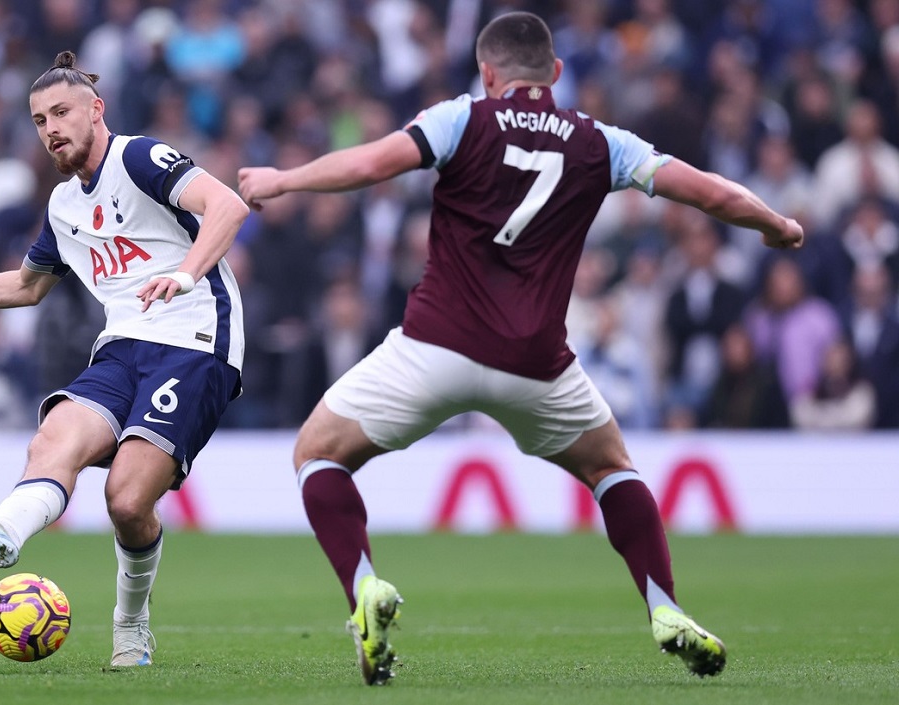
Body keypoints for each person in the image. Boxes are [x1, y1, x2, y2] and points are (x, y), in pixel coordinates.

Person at [238, 12, 803, 686]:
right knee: (612, 469)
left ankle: (362, 585)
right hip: (536, 364)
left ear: (487, 72)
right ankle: (664, 605)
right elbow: (706, 189)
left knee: (316, 452)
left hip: (434, 347)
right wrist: (774, 222)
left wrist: (283, 179)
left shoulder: (462, 118)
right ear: (555, 74)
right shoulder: (602, 142)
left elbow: (370, 163)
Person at [0, 51, 248, 668]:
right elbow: (25, 286)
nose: (51, 129)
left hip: (196, 339)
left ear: (97, 110)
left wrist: (183, 275)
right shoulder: (64, 205)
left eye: (62, 112)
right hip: (123, 344)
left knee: (127, 501)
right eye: (40, 120)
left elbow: (227, 205)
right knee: (54, 439)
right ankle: (4, 534)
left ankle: (131, 623)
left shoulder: (139, 158)